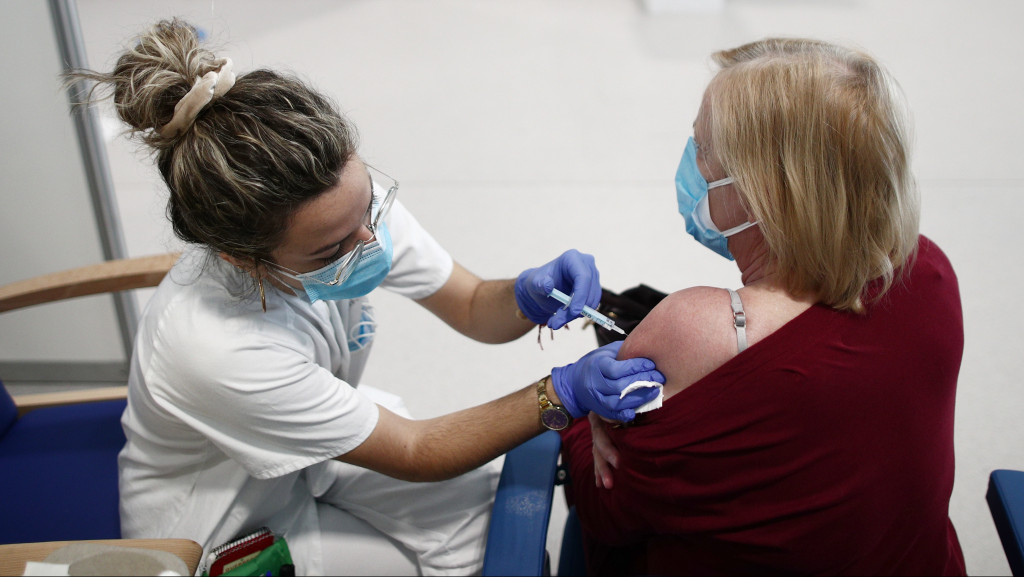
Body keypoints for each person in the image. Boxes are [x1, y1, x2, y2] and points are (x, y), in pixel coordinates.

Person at [66, 19, 664, 576]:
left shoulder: (340, 204)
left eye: (368, 209)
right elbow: (416, 449)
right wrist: (560, 393)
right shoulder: (214, 348)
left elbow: (472, 303)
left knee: (484, 533)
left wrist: (526, 296)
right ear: (241, 258)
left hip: (318, 446)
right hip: (220, 522)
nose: (372, 242)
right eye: (331, 252)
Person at [559, 37, 966, 576]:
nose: (691, 164)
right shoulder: (928, 271)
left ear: (761, 190)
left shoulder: (697, 332)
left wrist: (577, 410)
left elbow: (605, 508)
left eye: (702, 148)